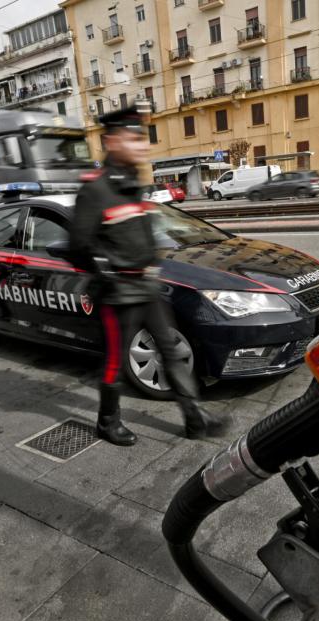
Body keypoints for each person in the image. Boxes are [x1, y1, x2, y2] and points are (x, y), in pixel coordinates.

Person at [70, 106, 221, 446]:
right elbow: (78, 244)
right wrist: (108, 269)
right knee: (114, 361)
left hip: (147, 286)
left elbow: (139, 235)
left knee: (169, 349)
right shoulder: (95, 189)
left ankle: (194, 418)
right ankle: (107, 422)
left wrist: (149, 262)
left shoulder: (133, 183)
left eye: (142, 139)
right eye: (132, 138)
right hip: (116, 292)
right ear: (110, 141)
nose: (141, 145)